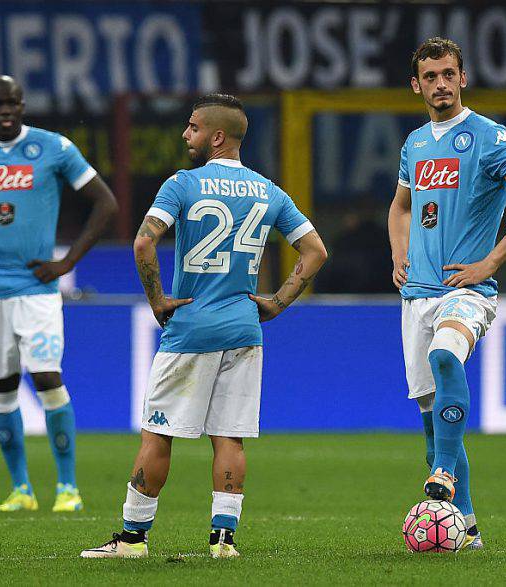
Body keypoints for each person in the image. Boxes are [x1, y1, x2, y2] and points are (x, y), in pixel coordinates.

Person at [81, 94, 327, 559]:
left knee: (158, 434)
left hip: (191, 327)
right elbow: (315, 251)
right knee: (229, 437)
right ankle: (223, 542)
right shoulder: (269, 191)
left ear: (217, 136)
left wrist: (157, 300)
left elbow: (143, 243)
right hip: (243, 330)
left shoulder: (182, 184)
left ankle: (132, 540)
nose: (184, 134)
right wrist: (276, 302)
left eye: (192, 127)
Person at [388, 38, 506, 550]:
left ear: (464, 78)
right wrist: (399, 253)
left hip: (468, 287)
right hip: (417, 293)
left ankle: (441, 472)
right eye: (430, 76)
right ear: (416, 85)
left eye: (448, 73)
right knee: (431, 415)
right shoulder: (414, 144)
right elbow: (400, 207)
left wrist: (492, 261)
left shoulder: (489, 136)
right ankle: (467, 525)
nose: (440, 83)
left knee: (445, 354)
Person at [0, 75, 118, 513]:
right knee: (2, 388)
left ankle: (67, 488)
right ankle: (21, 490)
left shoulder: (54, 147)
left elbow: (105, 202)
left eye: (12, 103)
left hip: (37, 288)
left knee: (48, 379)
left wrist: (67, 262)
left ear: (22, 105)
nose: (6, 111)